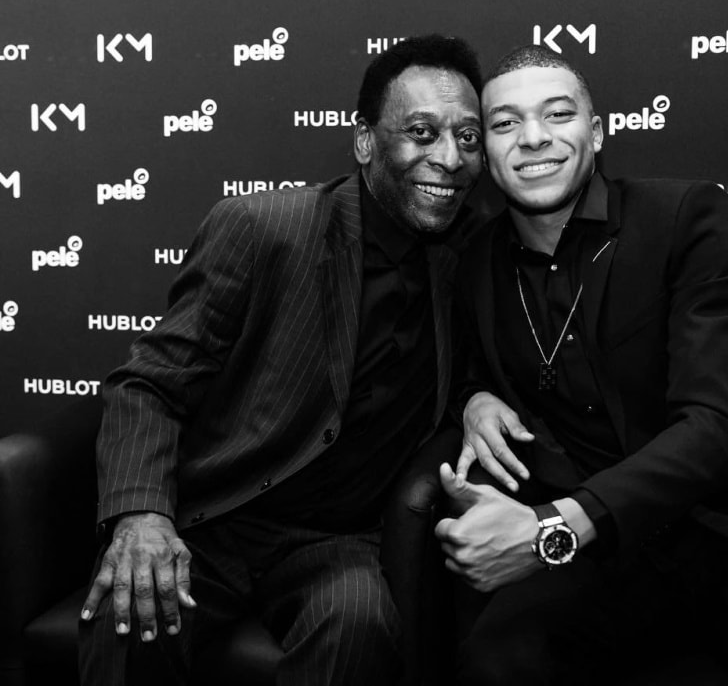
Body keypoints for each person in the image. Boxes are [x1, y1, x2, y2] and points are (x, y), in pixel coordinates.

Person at [434, 44, 728, 685]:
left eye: (558, 114)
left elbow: (715, 430)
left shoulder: (685, 219)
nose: (533, 138)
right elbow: (468, 365)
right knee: (491, 663)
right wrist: (475, 399)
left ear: (596, 133)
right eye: (505, 123)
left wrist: (551, 529)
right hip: (613, 560)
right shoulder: (475, 260)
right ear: (485, 151)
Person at [78, 34, 483, 686]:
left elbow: (497, 368)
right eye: (421, 132)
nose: (449, 157)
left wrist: (477, 400)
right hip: (213, 520)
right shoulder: (265, 228)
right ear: (365, 141)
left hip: (333, 542)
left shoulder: (469, 259)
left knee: (361, 626)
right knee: (131, 614)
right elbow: (148, 385)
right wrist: (141, 514)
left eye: (468, 137)